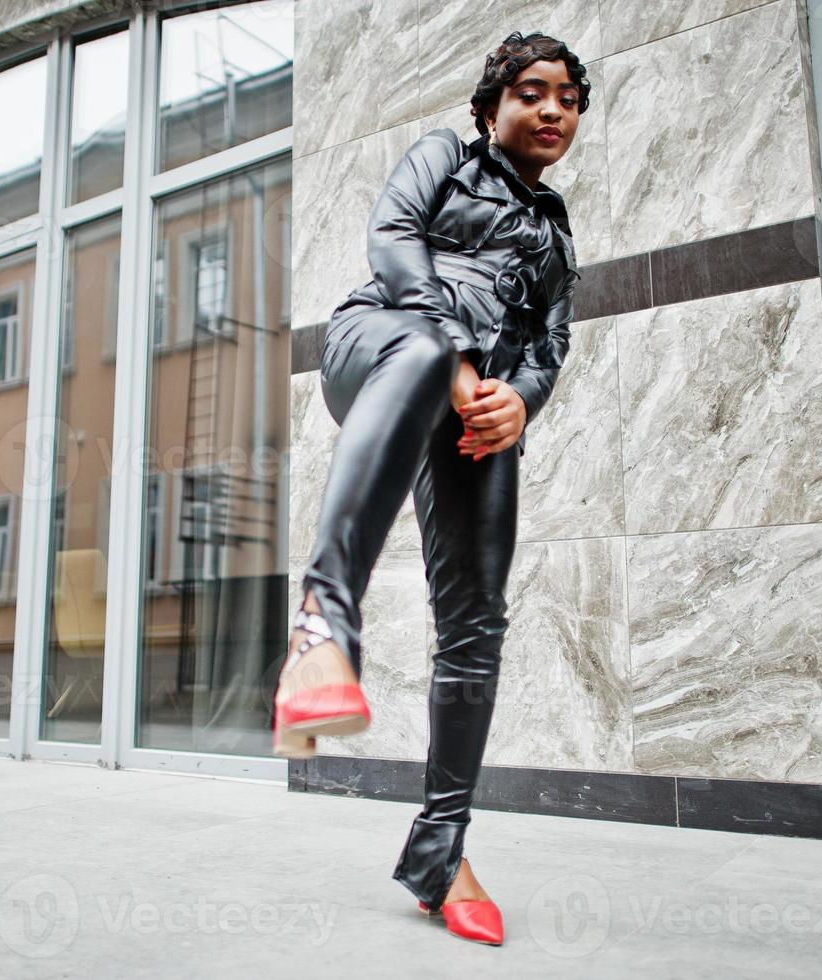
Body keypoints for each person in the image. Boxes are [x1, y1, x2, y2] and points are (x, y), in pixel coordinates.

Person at [273, 30, 589, 946]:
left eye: (567, 98)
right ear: (492, 105)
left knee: (477, 621)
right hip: (380, 343)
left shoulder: (556, 230)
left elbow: (549, 343)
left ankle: (439, 852)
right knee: (418, 348)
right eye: (532, 91)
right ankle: (321, 626)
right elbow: (392, 239)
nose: (551, 110)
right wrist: (454, 360)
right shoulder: (444, 158)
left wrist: (518, 406)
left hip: (478, 411)